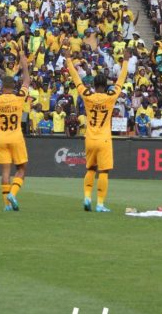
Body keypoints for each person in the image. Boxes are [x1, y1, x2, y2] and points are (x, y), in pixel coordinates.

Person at [65, 48, 130, 212]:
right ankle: (100, 204)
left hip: (90, 138)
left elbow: (76, 79)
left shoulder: (88, 95)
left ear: (94, 85)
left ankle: (87, 197)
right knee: (104, 171)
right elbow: (120, 81)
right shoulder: (110, 97)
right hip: (104, 139)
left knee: (90, 169)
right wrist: (126, 61)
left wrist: (68, 60)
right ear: (105, 85)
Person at [0, 49, 31, 211]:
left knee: (5, 172)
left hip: (2, 138)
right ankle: (13, 194)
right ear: (13, 86)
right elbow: (27, 81)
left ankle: (7, 205)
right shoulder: (18, 98)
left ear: (2, 87)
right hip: (16, 137)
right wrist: (23, 61)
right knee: (22, 169)